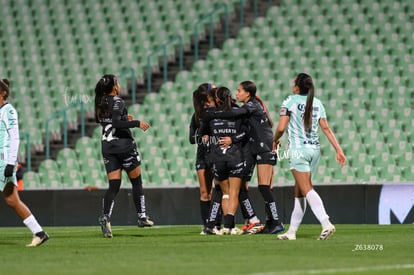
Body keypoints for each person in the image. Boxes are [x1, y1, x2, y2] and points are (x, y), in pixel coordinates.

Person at [273, 73, 346, 240]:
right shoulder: (317, 103)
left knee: (306, 189)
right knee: (299, 191)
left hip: (298, 151)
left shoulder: (289, 101)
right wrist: (338, 150)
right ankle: (291, 232)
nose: (292, 84)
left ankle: (326, 223)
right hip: (314, 151)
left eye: (293, 82)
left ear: (297, 87)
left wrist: (274, 140)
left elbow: (281, 128)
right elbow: (326, 128)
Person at [206, 81, 284, 234]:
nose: (237, 93)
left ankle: (275, 222)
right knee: (240, 186)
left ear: (248, 93)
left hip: (264, 149)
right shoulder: (249, 106)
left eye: (239, 90)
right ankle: (254, 220)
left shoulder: (252, 105)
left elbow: (235, 113)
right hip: (253, 150)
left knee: (263, 187)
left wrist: (213, 114)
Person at [94, 74, 153, 238]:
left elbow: (107, 121)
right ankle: (142, 216)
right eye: (117, 82)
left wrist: (125, 118)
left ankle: (105, 217)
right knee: (136, 182)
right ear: (114, 87)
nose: (119, 85)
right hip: (123, 146)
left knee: (113, 186)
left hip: (107, 147)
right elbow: (116, 123)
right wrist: (136, 123)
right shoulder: (118, 100)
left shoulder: (100, 101)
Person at [0, 78, 49, 246]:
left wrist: (10, 163)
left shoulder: (8, 110)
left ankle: (39, 233)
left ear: (3, 93)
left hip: (4, 161)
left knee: (12, 200)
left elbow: (14, 137)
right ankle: (39, 233)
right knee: (12, 200)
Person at [200, 86, 246, 235]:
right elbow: (245, 133)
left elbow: (202, 134)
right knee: (233, 193)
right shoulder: (238, 112)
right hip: (235, 156)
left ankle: (227, 226)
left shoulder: (210, 114)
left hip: (217, 158)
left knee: (225, 192)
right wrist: (233, 139)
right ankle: (229, 226)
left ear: (217, 99)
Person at [189, 83, 220, 234]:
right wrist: (201, 135)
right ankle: (206, 225)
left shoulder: (219, 111)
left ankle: (217, 224)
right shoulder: (197, 116)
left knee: (218, 191)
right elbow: (191, 138)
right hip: (202, 156)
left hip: (217, 155)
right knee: (204, 193)